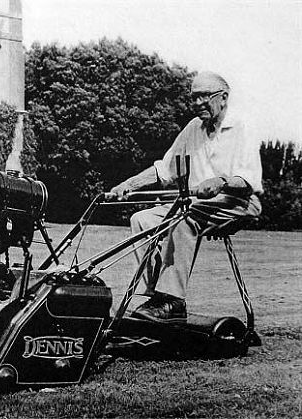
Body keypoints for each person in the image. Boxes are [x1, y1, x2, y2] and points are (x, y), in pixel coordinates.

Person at [109, 71, 263, 323]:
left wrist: (221, 181)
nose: (198, 103)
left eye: (204, 96)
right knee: (142, 219)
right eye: (194, 98)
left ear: (223, 97)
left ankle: (173, 301)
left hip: (239, 202)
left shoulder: (242, 127)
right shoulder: (193, 128)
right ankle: (154, 297)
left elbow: (248, 181)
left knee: (183, 218)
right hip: (197, 203)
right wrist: (129, 184)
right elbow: (166, 169)